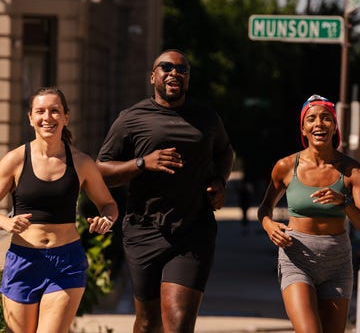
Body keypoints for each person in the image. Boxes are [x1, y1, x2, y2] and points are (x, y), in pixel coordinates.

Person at [96, 49, 234, 333]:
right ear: (153, 76)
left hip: (192, 230)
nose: (174, 73)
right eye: (166, 67)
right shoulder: (130, 119)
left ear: (187, 79)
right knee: (148, 322)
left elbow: (225, 151)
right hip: (143, 230)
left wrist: (219, 181)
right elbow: (102, 170)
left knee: (179, 321)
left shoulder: (206, 117)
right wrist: (142, 163)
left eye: (182, 69)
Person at [0, 87, 119, 333]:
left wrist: (106, 219)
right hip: (23, 260)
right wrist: (5, 222)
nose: (48, 117)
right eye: (40, 111)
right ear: (30, 118)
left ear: (66, 117)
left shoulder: (81, 162)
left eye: (55, 111)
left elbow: (109, 204)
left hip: (66, 262)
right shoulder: (15, 160)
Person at [258, 94, 360, 333]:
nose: (319, 123)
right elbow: (264, 208)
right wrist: (269, 225)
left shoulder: (351, 171)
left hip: (337, 260)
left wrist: (344, 202)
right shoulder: (285, 166)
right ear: (303, 128)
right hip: (297, 256)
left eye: (326, 118)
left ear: (334, 126)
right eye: (311, 118)